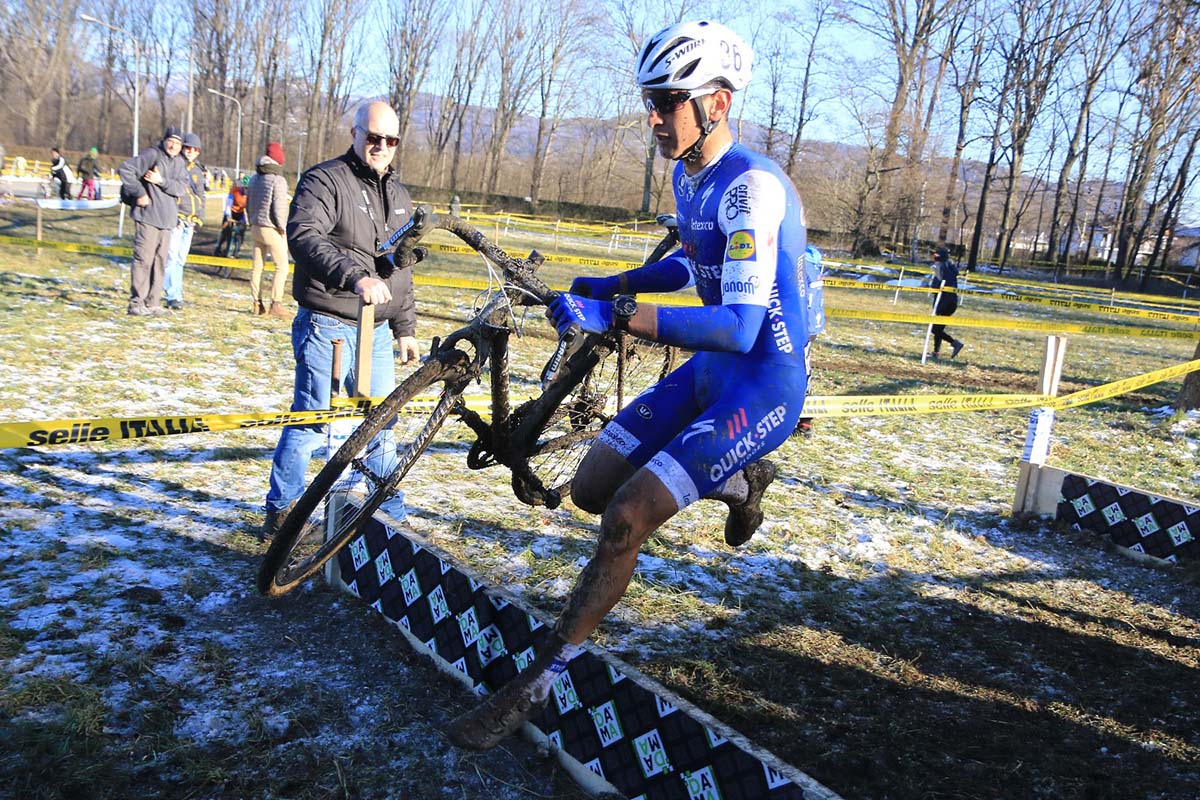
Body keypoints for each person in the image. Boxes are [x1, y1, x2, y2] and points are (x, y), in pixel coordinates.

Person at [447, 19, 809, 751]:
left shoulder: (752, 191)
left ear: (718, 102)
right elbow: (686, 265)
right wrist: (614, 281)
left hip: (762, 383)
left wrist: (616, 312)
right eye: (650, 98)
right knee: (589, 490)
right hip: (711, 373)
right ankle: (739, 484)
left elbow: (740, 326)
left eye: (667, 101)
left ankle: (537, 681)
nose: (652, 116)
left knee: (624, 518)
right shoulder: (688, 174)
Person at [263, 101, 421, 539]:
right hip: (328, 324)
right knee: (313, 421)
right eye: (373, 137)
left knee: (382, 422)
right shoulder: (325, 180)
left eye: (390, 140)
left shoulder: (400, 195)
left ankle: (386, 510)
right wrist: (355, 277)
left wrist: (406, 327)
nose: (382, 147)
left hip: (380, 331)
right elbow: (304, 236)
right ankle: (283, 513)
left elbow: (401, 267)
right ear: (355, 134)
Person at [117, 127, 186, 316]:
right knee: (143, 261)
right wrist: (139, 193)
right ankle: (136, 304)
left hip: (167, 222)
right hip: (147, 217)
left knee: (160, 262)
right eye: (171, 141)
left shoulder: (180, 163)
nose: (174, 146)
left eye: (178, 143)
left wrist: (161, 180)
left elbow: (180, 188)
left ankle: (153, 303)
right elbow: (125, 169)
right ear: (164, 141)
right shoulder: (152, 154)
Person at [247, 141, 292, 317]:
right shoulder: (278, 180)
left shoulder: (254, 178)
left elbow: (249, 203)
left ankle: (256, 304)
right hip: (271, 228)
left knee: (257, 266)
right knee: (282, 266)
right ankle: (276, 303)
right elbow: (279, 208)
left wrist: (251, 221)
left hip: (255, 226)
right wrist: (282, 228)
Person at [163, 133, 206, 311]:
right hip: (177, 219)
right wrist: (174, 217)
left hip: (190, 221)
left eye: (194, 149)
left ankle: (177, 293)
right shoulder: (175, 165)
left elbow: (201, 196)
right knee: (171, 258)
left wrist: (199, 218)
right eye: (188, 148)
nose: (191, 152)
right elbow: (170, 193)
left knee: (180, 260)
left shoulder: (197, 170)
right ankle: (172, 295)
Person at [795, 243, 825, 436]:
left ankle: (805, 421)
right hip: (811, 326)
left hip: (800, 327)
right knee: (803, 370)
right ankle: (805, 421)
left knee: (800, 373)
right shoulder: (813, 267)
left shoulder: (800, 267)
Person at [928, 246, 964, 359]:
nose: (935, 259)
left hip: (946, 303)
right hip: (945, 302)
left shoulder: (945, 269)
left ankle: (955, 344)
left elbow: (942, 286)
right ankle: (936, 352)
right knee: (938, 329)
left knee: (935, 329)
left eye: (937, 256)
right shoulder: (946, 267)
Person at [215, 176, 249, 258]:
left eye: (249, 188)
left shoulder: (250, 195)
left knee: (242, 231)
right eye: (246, 188)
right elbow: (228, 204)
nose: (247, 191)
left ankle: (237, 250)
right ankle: (218, 247)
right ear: (242, 187)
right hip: (231, 211)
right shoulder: (235, 191)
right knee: (226, 230)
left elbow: (250, 208)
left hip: (240, 214)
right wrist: (227, 216)